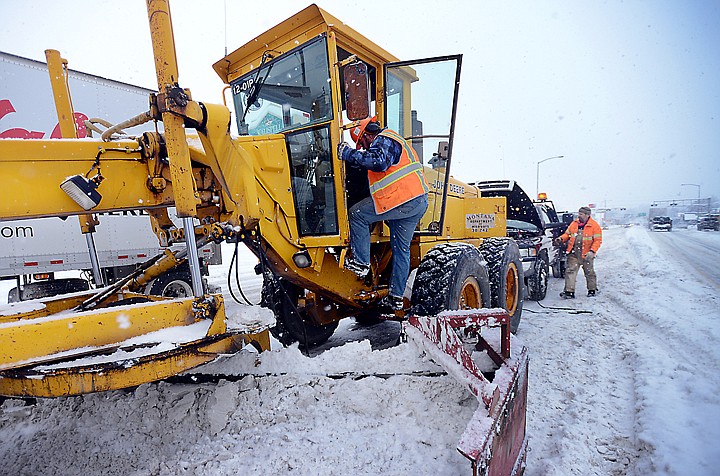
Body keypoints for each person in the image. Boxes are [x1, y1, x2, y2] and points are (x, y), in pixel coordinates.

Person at [337, 117, 429, 311]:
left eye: (362, 142)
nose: (363, 147)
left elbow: (378, 162)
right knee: (401, 250)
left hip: (402, 199)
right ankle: (396, 296)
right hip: (417, 202)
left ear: (368, 134)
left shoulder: (384, 139)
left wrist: (347, 153)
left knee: (358, 214)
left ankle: (361, 263)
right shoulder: (395, 139)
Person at [554, 206, 603, 298]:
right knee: (570, 271)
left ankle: (592, 290)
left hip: (587, 254)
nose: (579, 215)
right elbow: (567, 234)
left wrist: (592, 252)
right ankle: (569, 292)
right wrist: (561, 239)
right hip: (574, 253)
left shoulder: (594, 226)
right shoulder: (574, 223)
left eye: (581, 214)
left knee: (589, 272)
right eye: (579, 213)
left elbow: (598, 241)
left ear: (587, 215)